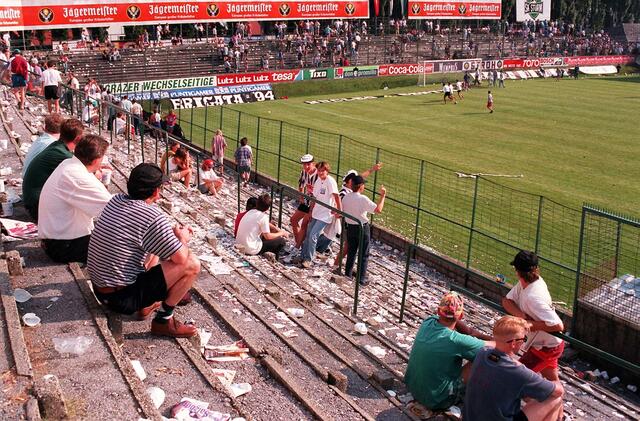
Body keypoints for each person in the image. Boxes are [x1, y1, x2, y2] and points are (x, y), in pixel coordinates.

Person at [87, 163, 200, 338]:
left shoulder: (115, 200)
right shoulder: (152, 217)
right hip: (121, 299)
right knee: (192, 263)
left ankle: (147, 304)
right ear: (156, 191)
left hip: (101, 289)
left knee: (154, 249)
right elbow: (181, 258)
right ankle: (163, 321)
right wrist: (182, 238)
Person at [463, 315, 565, 421]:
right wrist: (554, 381)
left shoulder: (483, 353)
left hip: (470, 417)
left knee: (529, 394)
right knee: (555, 399)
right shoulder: (518, 371)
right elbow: (559, 391)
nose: (524, 342)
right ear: (513, 343)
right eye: (524, 339)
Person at [405, 292, 494, 411]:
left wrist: (470, 332)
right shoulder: (457, 340)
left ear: (438, 311)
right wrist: (493, 338)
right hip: (438, 400)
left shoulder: (428, 321)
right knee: (484, 356)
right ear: (461, 316)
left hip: (413, 388)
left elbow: (464, 329)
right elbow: (494, 346)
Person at [38, 135, 112, 263]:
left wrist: (94, 171)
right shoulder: (78, 178)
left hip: (55, 238)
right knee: (122, 245)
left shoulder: (69, 164)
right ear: (96, 160)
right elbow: (113, 207)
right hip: (64, 246)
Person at [502, 250, 565, 382]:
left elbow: (558, 325)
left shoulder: (533, 297)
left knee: (515, 378)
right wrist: (522, 317)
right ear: (536, 269)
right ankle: (556, 400)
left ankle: (535, 401)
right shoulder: (526, 284)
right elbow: (506, 301)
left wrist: (531, 324)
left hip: (546, 347)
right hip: (544, 343)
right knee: (552, 381)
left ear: (517, 271)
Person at [23, 118, 85, 219]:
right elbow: (83, 173)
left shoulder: (56, 146)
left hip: (32, 199)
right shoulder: (62, 154)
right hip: (36, 206)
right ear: (78, 139)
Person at [341, 176, 386, 286]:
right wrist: (383, 196)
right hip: (362, 227)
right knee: (364, 253)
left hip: (350, 227)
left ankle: (348, 274)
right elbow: (378, 209)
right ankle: (361, 279)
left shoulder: (346, 197)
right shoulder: (363, 199)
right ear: (361, 186)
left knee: (351, 251)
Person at [298, 161, 341, 269]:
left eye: (323, 171)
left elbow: (336, 197)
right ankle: (303, 256)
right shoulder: (318, 181)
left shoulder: (330, 181)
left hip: (325, 214)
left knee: (313, 235)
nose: (321, 172)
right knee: (308, 234)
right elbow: (314, 198)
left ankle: (309, 259)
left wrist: (339, 211)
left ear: (327, 171)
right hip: (317, 212)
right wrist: (311, 211)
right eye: (319, 170)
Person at [236, 194, 289, 258]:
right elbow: (268, 236)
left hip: (239, 243)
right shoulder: (263, 217)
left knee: (267, 234)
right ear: (267, 208)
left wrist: (276, 229)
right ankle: (274, 258)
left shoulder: (250, 212)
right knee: (281, 241)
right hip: (250, 249)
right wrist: (281, 233)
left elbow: (264, 223)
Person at [291, 154, 317, 248]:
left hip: (316, 203)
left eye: (308, 164)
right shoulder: (304, 172)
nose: (306, 166)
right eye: (304, 164)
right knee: (293, 220)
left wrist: (311, 210)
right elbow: (301, 184)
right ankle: (299, 244)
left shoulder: (319, 175)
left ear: (313, 163)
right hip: (307, 199)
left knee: (304, 224)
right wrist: (301, 197)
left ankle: (298, 246)